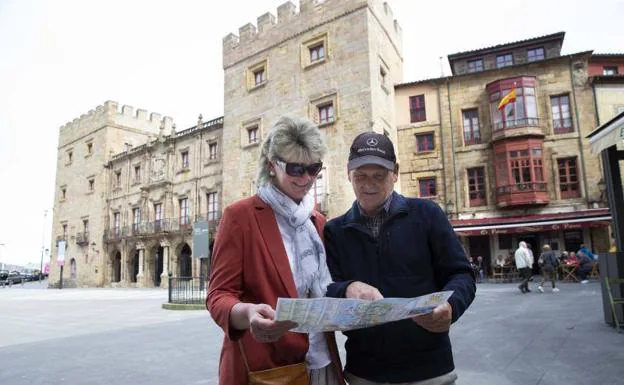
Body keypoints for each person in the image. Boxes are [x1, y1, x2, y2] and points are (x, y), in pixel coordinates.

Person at [323, 132, 476, 385]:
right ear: (348, 173)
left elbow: (461, 274)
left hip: (430, 372)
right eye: (360, 175)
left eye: (379, 176)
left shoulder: (427, 214)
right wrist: (346, 289)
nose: (368, 184)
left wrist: (451, 307)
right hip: (365, 373)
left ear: (395, 172)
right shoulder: (335, 230)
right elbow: (327, 288)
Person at [206, 115, 345, 385]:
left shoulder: (316, 222)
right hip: (268, 368)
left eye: (314, 168)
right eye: (295, 168)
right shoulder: (241, 216)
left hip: (321, 361)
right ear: (272, 166)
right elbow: (219, 295)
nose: (306, 178)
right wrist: (247, 315)